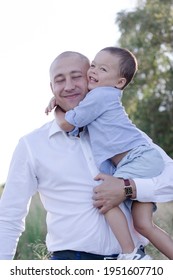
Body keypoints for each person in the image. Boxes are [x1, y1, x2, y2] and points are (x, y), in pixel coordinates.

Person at [0, 51, 173, 260]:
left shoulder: (125, 135)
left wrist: (129, 187)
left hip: (134, 266)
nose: (69, 85)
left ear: (90, 79)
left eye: (76, 76)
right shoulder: (31, 145)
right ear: (51, 88)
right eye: (60, 80)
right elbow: (9, 217)